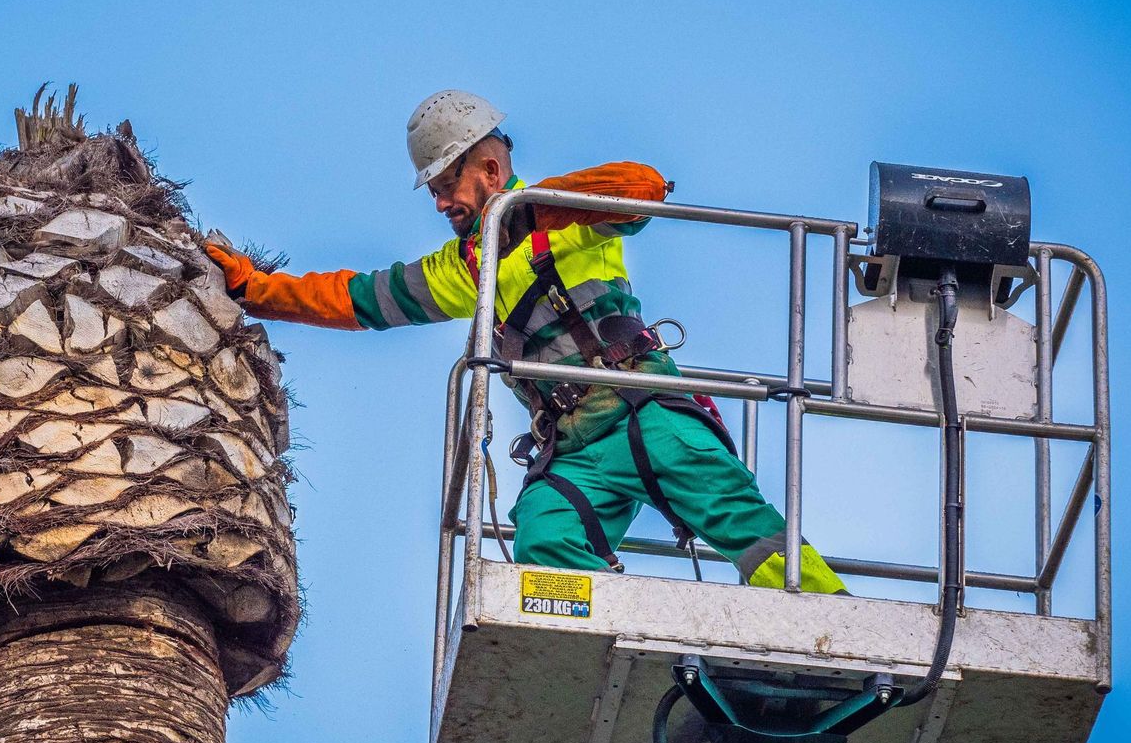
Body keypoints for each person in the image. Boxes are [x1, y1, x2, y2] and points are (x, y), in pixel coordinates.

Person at [204, 90, 845, 592]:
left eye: (446, 186)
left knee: (744, 525)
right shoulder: (465, 267)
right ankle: (600, 641)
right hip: (575, 448)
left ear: (489, 169)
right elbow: (358, 298)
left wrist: (533, 209)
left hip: (646, 411)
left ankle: (832, 627)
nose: (439, 204)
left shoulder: (568, 218)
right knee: (543, 537)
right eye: (433, 191)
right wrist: (256, 290)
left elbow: (644, 189)